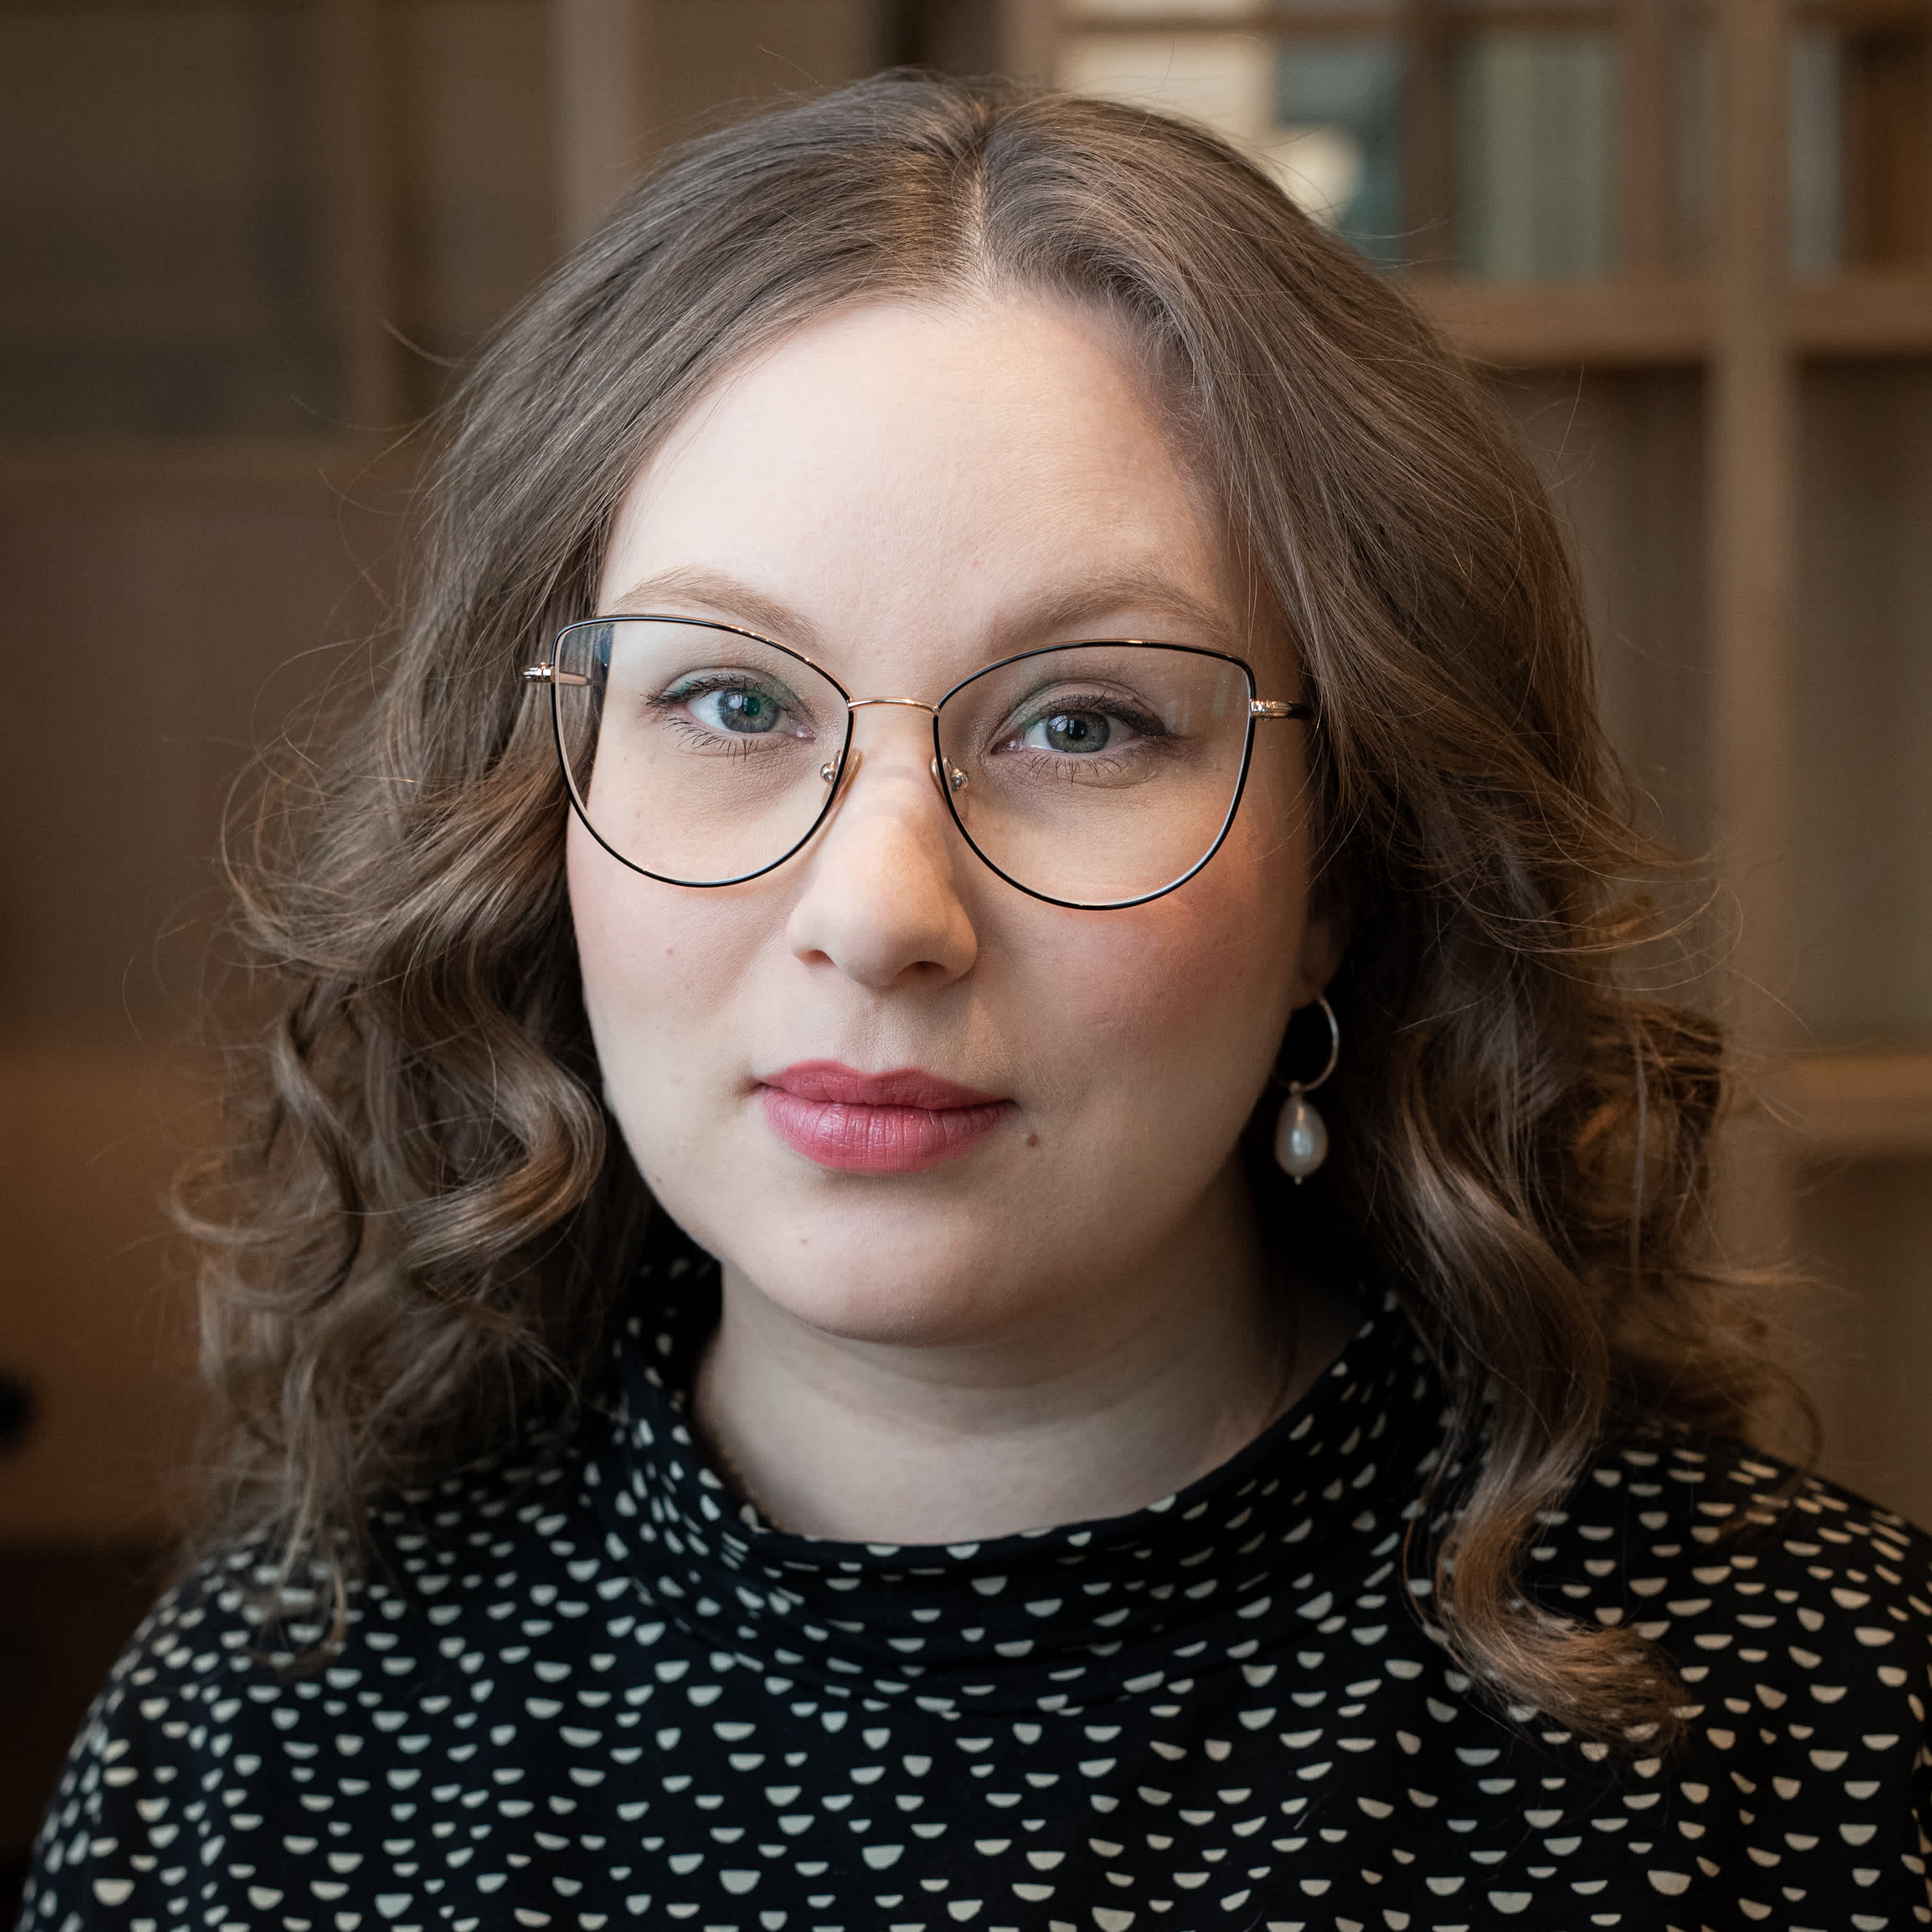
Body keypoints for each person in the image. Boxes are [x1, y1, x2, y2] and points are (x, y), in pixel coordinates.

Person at [22, 73, 1932, 1932]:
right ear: (543, 810)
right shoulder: (258, 1747)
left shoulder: (1829, 1729)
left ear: (1343, 875)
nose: (881, 916)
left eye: (1084, 723)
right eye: (731, 700)